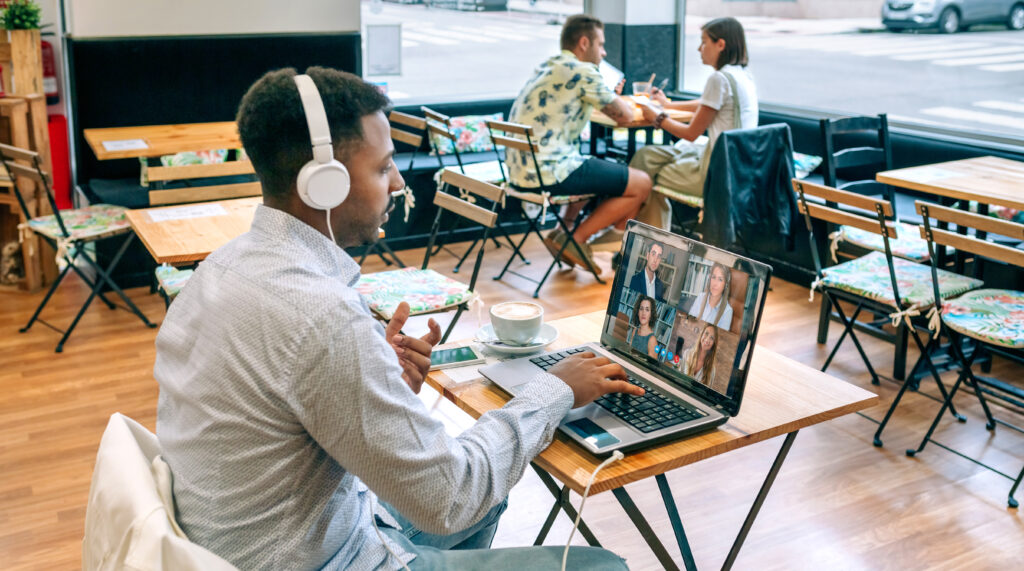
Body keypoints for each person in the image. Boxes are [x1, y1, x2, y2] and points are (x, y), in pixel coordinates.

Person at [154, 66, 643, 571]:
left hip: (258, 536)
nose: (398, 181)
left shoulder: (221, 268)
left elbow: (275, 405)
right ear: (324, 184)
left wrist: (373, 379)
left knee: (488, 489)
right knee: (602, 566)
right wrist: (554, 388)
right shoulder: (322, 318)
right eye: (383, 166)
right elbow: (452, 497)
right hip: (316, 559)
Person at [506, 14, 653, 273]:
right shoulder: (584, 71)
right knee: (642, 183)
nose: (604, 53)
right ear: (584, 43)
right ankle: (580, 240)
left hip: (521, 171)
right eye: (601, 45)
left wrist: (606, 95)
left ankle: (561, 232)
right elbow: (626, 116)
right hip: (549, 169)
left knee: (594, 167)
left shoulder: (548, 65)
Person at [630, 17, 758, 230]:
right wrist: (666, 105)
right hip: (738, 167)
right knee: (646, 156)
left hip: (715, 175)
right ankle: (644, 236)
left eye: (704, 41)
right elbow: (706, 104)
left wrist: (657, 117)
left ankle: (642, 239)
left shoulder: (719, 79)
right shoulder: (742, 76)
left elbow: (690, 133)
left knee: (644, 175)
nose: (699, 49)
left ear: (721, 44)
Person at [688, 262, 733, 330]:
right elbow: (689, 321)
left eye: (720, 279)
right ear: (710, 279)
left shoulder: (728, 311)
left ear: (726, 284)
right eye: (713, 277)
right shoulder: (701, 297)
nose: (715, 283)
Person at [626, 294, 659, 359]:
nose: (643, 313)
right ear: (638, 312)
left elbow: (650, 367)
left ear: (651, 314)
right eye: (641, 309)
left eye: (647, 310)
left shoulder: (652, 340)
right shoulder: (635, 331)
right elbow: (629, 354)